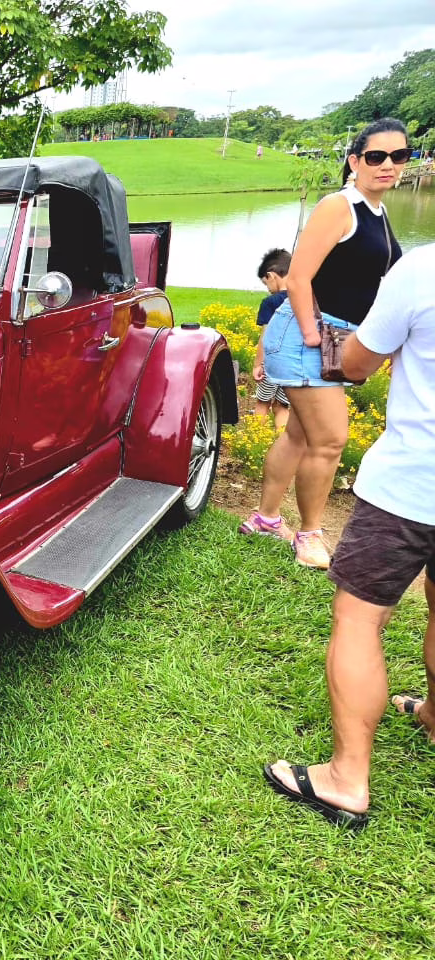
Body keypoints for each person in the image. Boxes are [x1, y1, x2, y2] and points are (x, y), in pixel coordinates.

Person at [263, 241, 435, 831]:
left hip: (411, 486)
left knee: (359, 619)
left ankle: (346, 779)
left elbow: (357, 364)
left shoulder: (423, 269)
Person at [238, 118, 409, 569]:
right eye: (376, 156)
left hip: (335, 335)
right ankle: (309, 535)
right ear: (355, 161)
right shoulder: (339, 207)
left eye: (399, 156)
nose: (388, 165)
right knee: (331, 440)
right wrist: (316, 337)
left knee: (299, 434)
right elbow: (297, 278)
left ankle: (266, 519)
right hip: (308, 334)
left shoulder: (377, 212)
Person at [250, 248, 292, 431]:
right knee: (282, 406)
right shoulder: (303, 298)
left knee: (262, 403)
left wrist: (258, 365)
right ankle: (280, 440)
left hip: (272, 362)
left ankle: (255, 438)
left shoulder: (271, 303)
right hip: (293, 364)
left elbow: (266, 336)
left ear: (271, 275)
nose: (267, 289)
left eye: (266, 283)